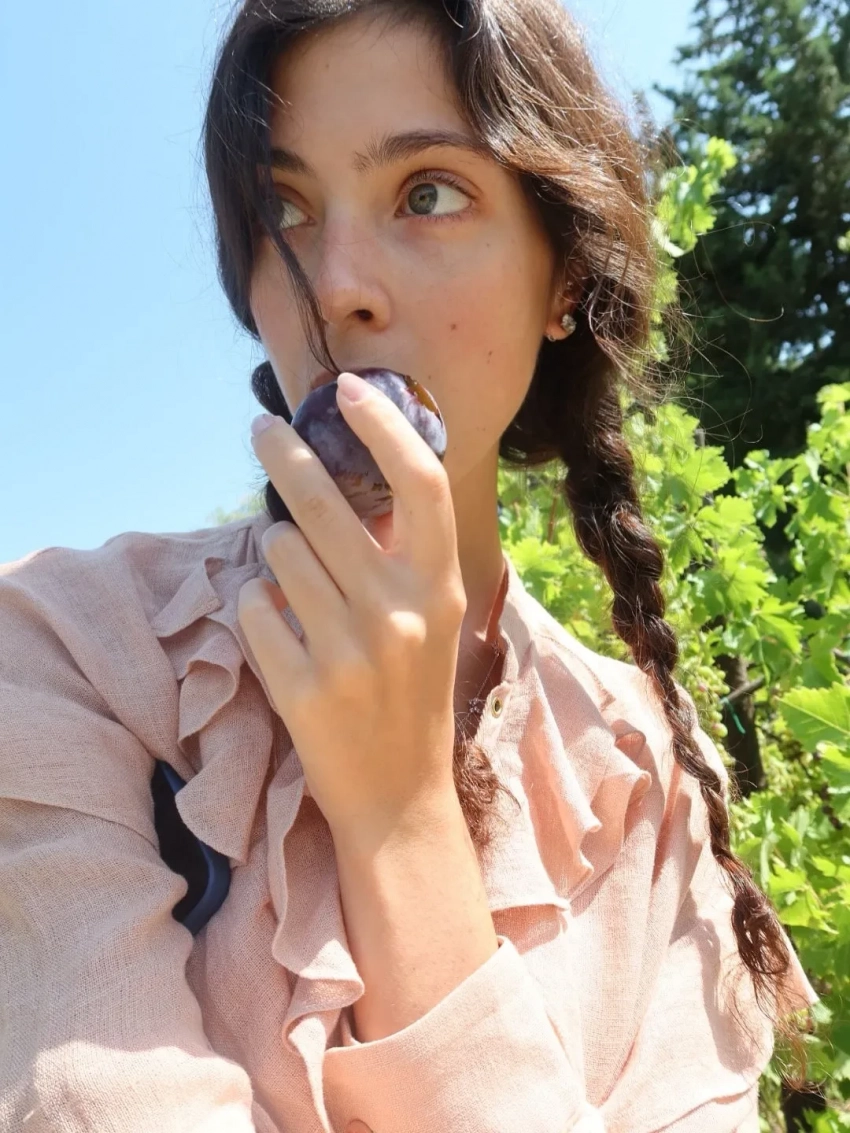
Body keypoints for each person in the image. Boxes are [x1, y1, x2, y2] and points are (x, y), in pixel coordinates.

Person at [0, 1, 818, 1130]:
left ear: (563, 279)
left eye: (428, 193)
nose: (338, 286)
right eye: (283, 209)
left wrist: (403, 818)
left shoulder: (644, 779)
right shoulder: (64, 647)